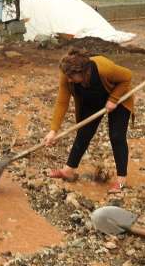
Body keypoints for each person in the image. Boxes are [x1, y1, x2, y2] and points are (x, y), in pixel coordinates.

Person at [42, 48, 133, 194]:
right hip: (93, 100)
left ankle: (121, 180)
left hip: (118, 97)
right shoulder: (67, 73)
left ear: (83, 73)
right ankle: (68, 171)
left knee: (117, 136)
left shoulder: (104, 68)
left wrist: (113, 99)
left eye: (72, 77)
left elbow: (127, 76)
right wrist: (53, 130)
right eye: (68, 77)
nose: (69, 80)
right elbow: (62, 102)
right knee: (83, 133)